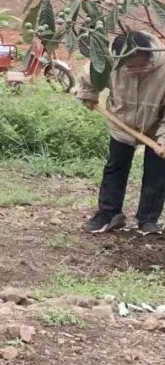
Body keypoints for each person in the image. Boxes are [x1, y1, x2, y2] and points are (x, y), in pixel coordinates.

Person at [76, 30, 165, 235]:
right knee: (115, 167)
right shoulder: (109, 61)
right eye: (129, 67)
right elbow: (88, 77)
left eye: (141, 66)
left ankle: (148, 220)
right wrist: (88, 95)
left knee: (157, 173)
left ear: (150, 56)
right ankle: (108, 214)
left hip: (156, 126)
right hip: (121, 123)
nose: (134, 70)